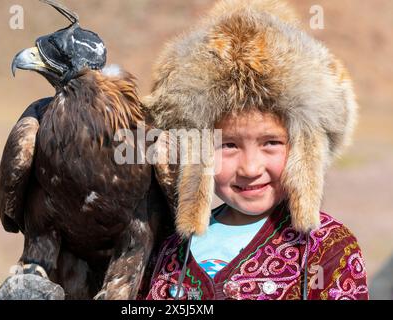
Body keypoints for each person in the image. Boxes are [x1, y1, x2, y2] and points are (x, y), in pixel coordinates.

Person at [140, 0, 369, 300]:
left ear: (305, 148)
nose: (250, 168)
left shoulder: (328, 250)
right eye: (228, 145)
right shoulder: (169, 250)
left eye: (271, 143)